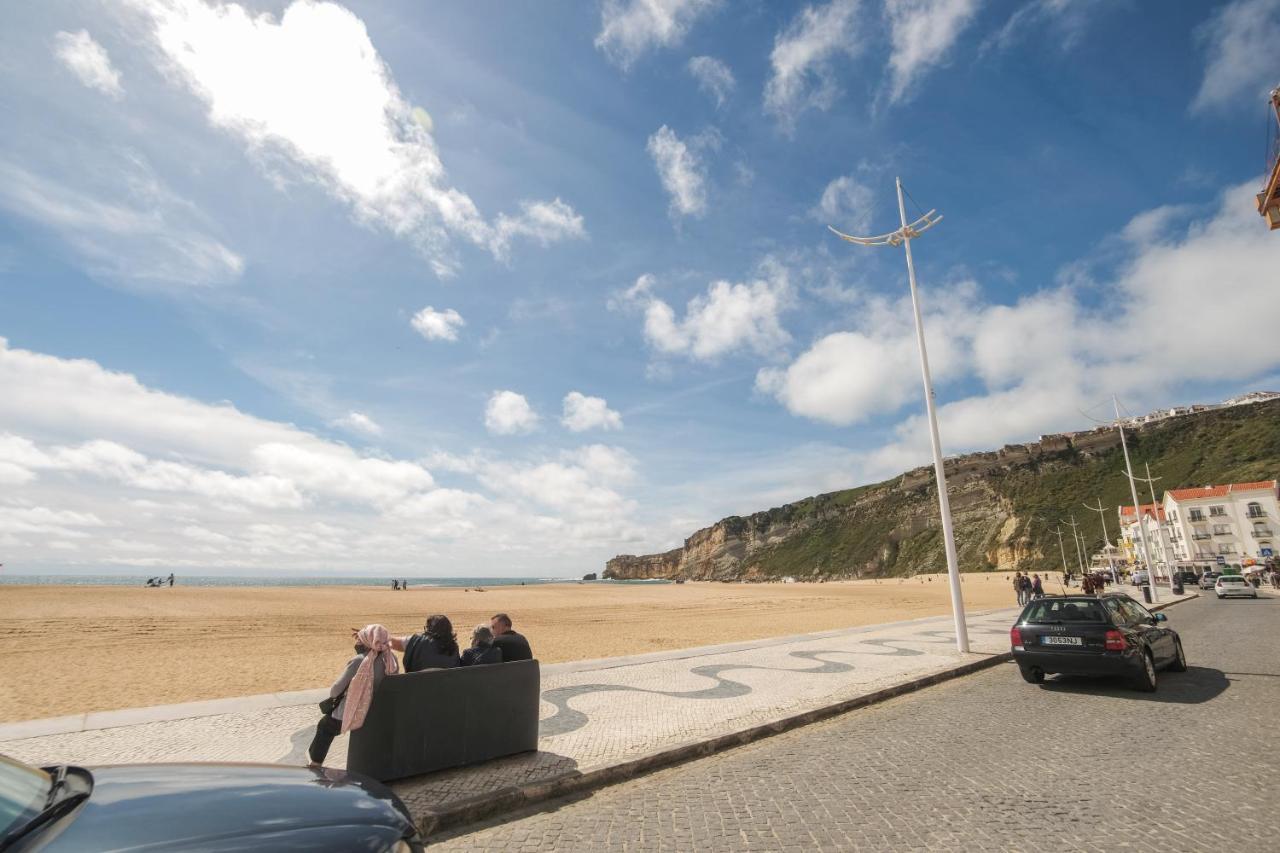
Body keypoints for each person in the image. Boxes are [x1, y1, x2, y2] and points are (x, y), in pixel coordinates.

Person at [308, 624, 399, 767]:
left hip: (355, 712)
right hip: (377, 711)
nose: (357, 643)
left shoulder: (359, 661)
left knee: (325, 727)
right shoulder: (390, 660)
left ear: (368, 642)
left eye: (361, 639)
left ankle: (315, 763)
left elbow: (335, 691)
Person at [392, 614, 461, 671]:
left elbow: (391, 642)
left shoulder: (417, 641)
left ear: (428, 629)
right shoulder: (454, 648)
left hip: (416, 686)